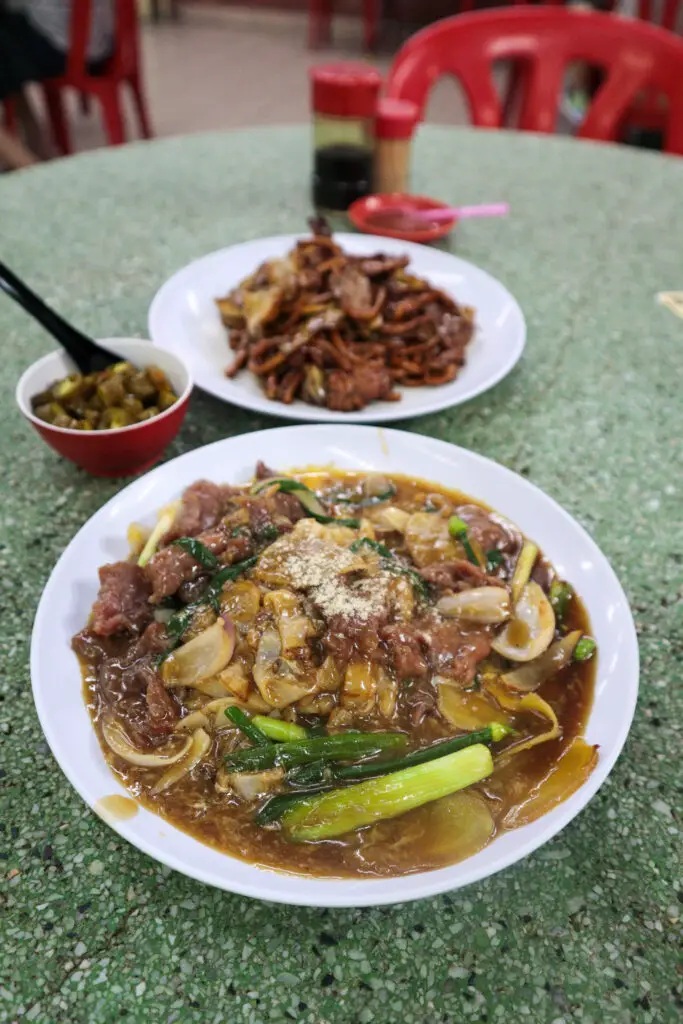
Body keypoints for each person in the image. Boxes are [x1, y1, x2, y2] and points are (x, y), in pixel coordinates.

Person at [0, 0, 114, 163]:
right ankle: (31, 142)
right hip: (101, 42)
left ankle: (28, 151)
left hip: (69, 46)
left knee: (5, 41)